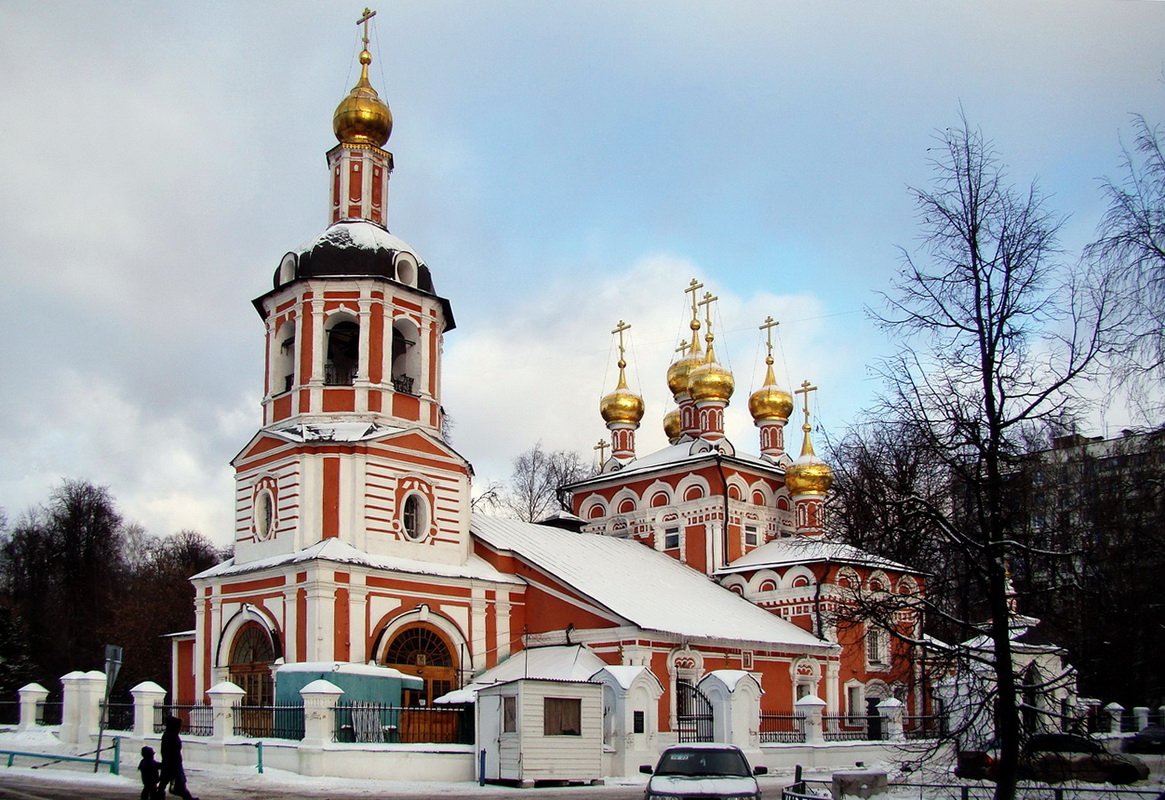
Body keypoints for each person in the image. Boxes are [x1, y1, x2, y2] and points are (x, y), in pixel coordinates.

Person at [158, 715, 197, 800]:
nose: (180, 728)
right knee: (178, 784)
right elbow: (169, 752)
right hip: (173, 764)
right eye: (179, 726)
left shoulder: (170, 735)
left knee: (164, 783)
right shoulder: (171, 736)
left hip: (171, 763)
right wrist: (169, 763)